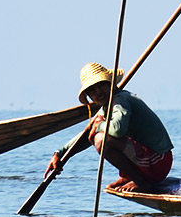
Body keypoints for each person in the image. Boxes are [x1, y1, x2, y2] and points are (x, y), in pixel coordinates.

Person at [45, 63, 174, 193]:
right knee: (97, 135)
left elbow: (117, 130)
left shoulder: (120, 100)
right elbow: (85, 137)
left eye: (101, 86)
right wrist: (59, 153)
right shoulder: (106, 108)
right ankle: (130, 176)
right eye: (92, 91)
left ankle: (140, 181)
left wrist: (99, 125)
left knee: (101, 140)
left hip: (158, 161)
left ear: (110, 84)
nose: (98, 92)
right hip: (147, 161)